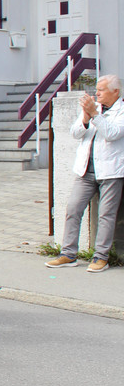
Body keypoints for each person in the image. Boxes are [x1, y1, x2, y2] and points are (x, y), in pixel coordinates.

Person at [46, 74, 124, 272]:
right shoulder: (93, 108)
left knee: (106, 215)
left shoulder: (122, 110)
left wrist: (95, 115)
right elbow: (75, 133)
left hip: (111, 172)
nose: (97, 93)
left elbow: (112, 134)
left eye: (101, 90)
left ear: (115, 91)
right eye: (96, 89)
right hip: (85, 171)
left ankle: (101, 257)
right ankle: (68, 254)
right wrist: (86, 118)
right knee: (73, 209)